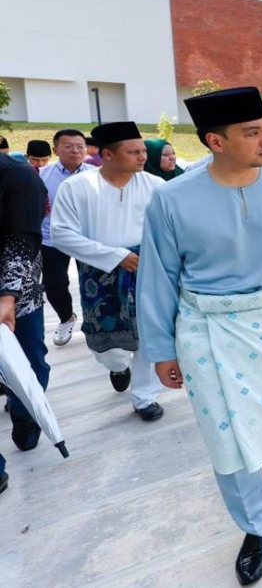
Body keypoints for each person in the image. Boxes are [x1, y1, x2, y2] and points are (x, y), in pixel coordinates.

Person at [137, 87, 262, 586]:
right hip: (209, 330)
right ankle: (257, 525)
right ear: (215, 141)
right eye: (252, 133)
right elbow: (157, 278)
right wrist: (160, 349)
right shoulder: (171, 199)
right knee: (226, 439)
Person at [50, 121, 165, 422]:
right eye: (133, 152)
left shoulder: (156, 186)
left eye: (142, 151)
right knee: (109, 345)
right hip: (99, 275)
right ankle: (117, 366)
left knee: (147, 335)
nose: (142, 157)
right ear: (108, 155)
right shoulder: (77, 187)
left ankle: (144, 397)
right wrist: (114, 255)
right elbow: (62, 234)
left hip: (146, 270)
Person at [0, 150, 52, 490]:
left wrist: (8, 295)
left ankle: (23, 409)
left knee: (30, 364)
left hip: (16, 298)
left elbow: (23, 241)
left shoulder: (17, 176)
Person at [38, 129, 95, 347]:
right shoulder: (42, 175)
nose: (75, 151)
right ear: (55, 150)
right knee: (54, 284)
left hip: (87, 238)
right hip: (52, 239)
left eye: (80, 146)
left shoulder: (96, 174)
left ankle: (93, 322)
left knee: (92, 283)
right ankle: (66, 318)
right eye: (68, 146)